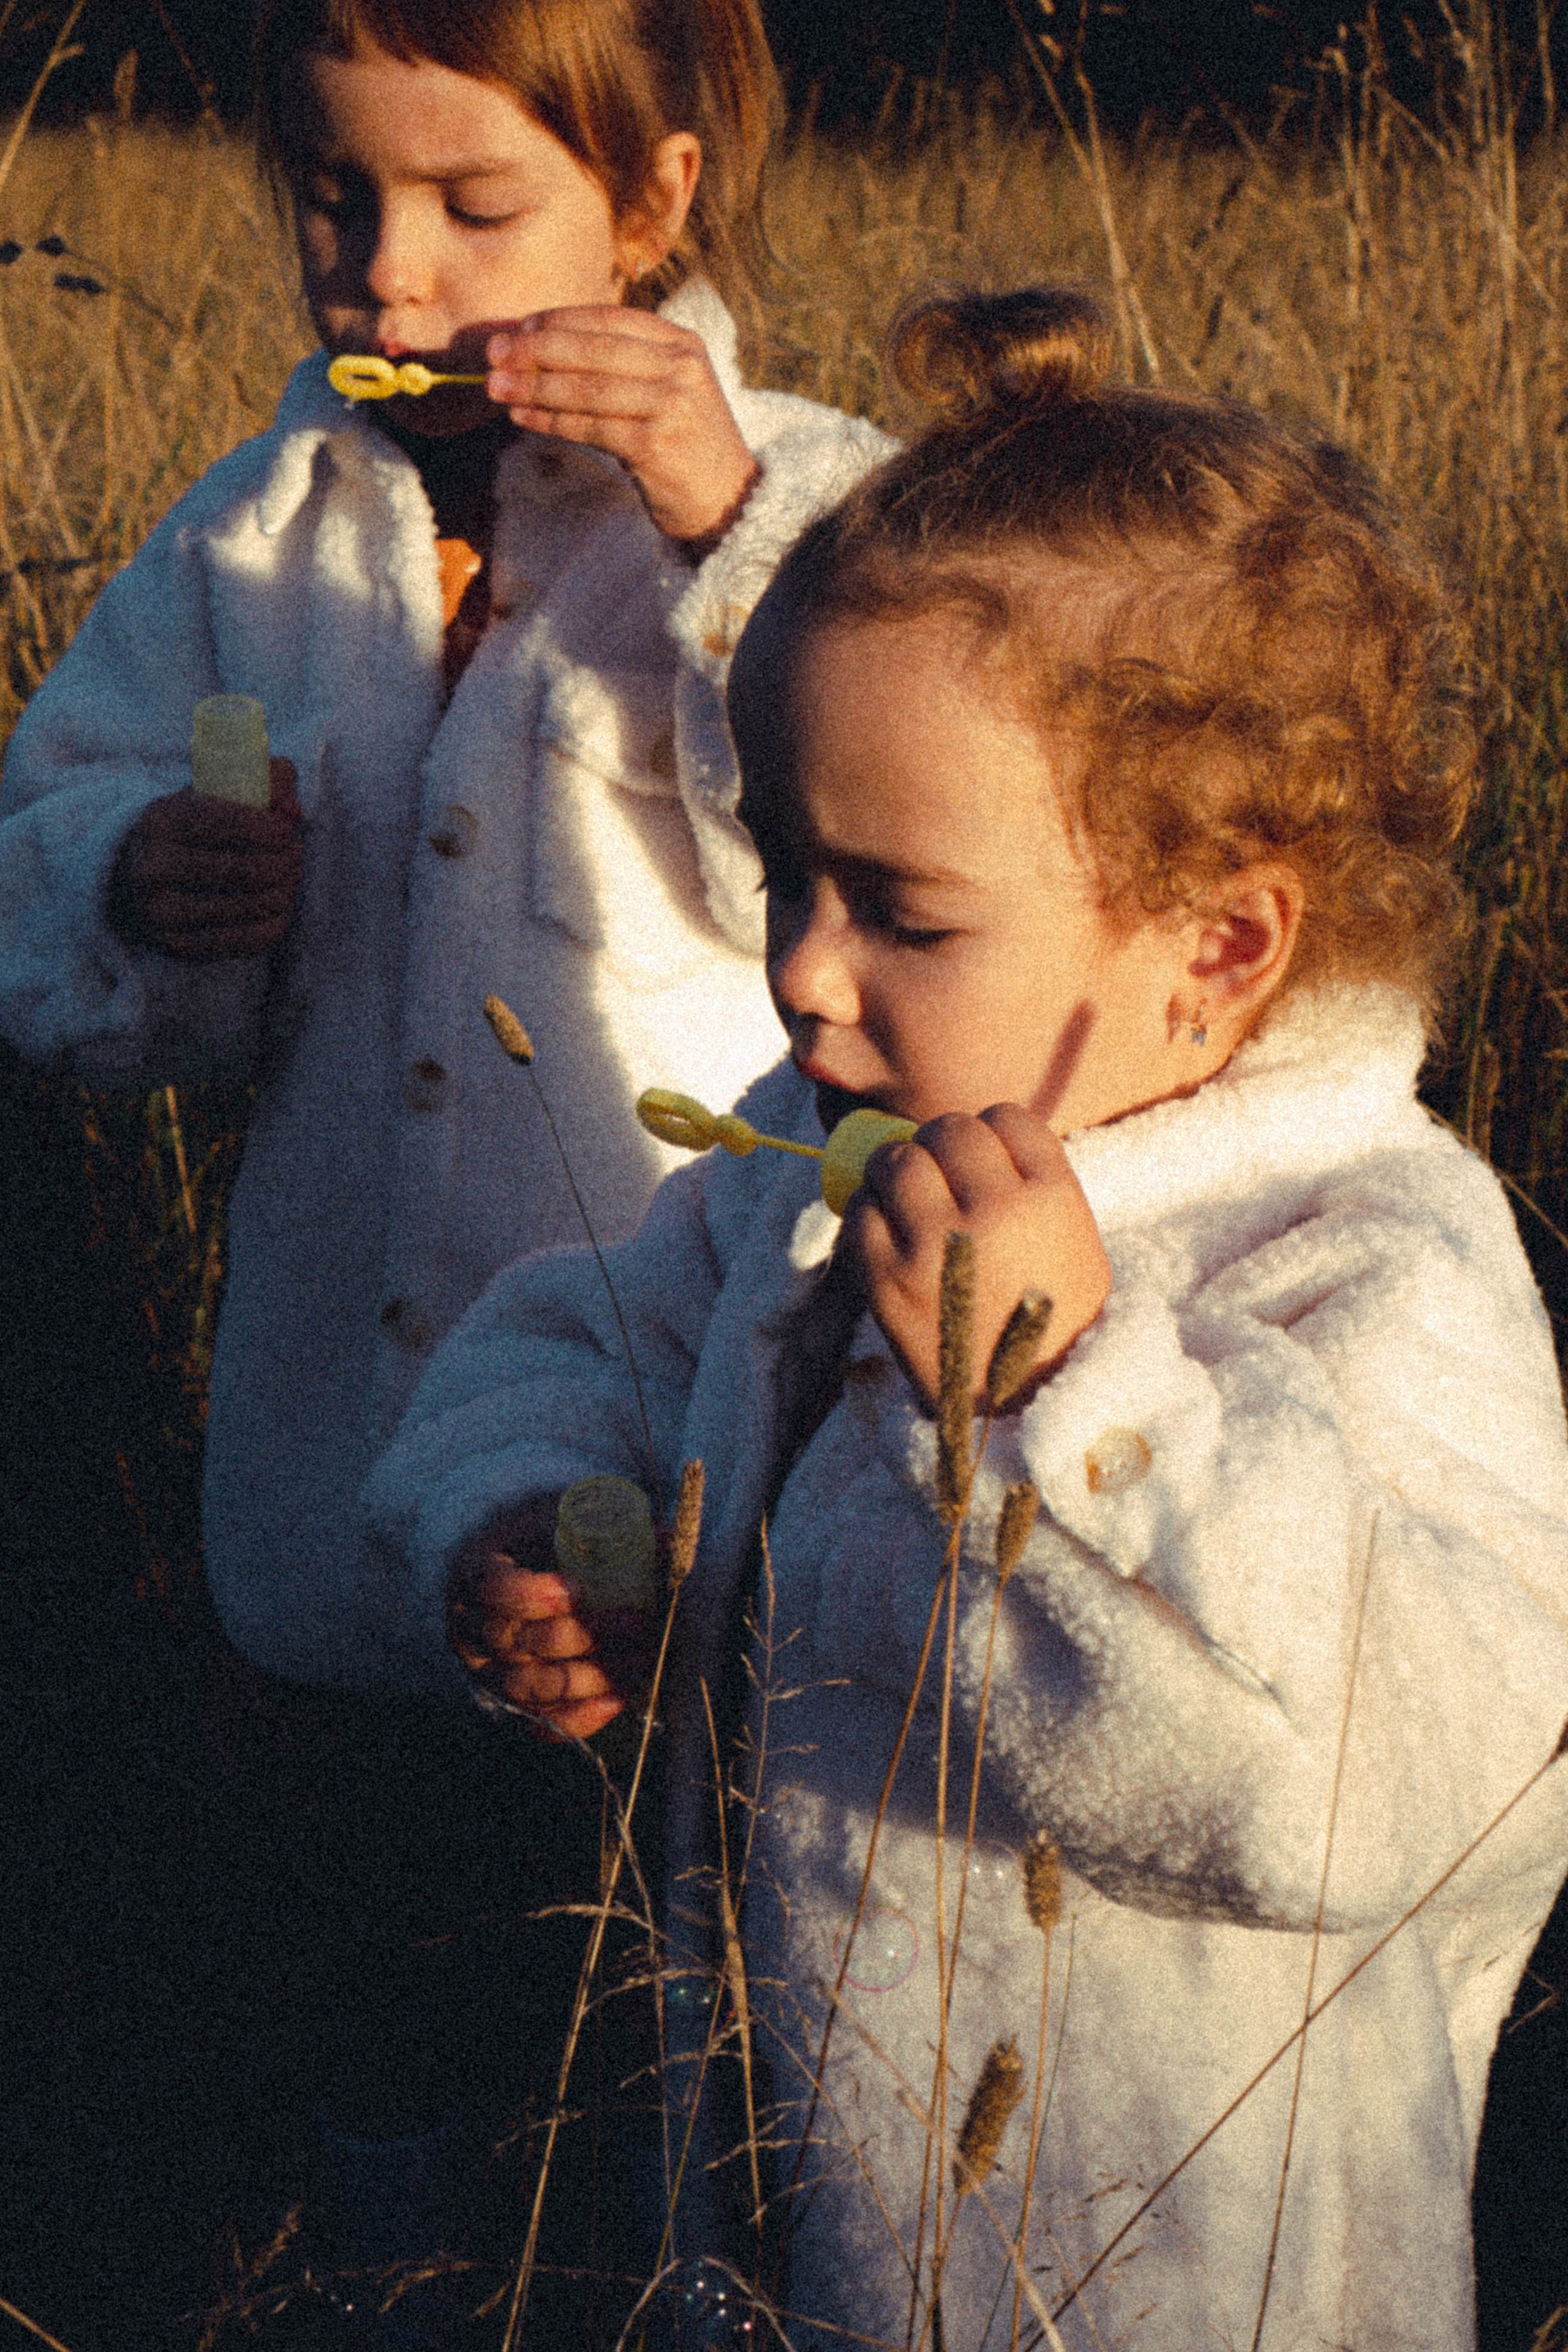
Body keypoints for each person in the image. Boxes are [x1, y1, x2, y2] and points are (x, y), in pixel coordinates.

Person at [369, 287, 1568, 2350]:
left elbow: (1386, 1786)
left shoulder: (1365, 1256)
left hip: (1177, 2277)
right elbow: (582, 1336)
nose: (802, 974)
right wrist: (535, 1515)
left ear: (1217, 946)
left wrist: (1066, 1399)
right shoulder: (810, 1160)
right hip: (786, 2219)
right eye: (786, 876)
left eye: (902, 912)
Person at [0, 0, 889, 2321]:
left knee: (641, 1942)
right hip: (327, 1441)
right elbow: (44, 838)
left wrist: (722, 529)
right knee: (351, 1935)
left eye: (477, 206)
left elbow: (893, 854)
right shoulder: (258, 529)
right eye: (334, 198)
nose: (389, 274)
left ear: (656, 199)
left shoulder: (813, 508)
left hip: (658, 1440)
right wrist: (135, 878)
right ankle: (376, 2280)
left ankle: (640, 2273)